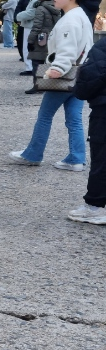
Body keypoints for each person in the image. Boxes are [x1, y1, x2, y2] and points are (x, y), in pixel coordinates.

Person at [8, 0, 95, 171]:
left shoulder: (70, 19)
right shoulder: (80, 15)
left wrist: (57, 69)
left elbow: (67, 49)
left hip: (64, 75)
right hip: (79, 74)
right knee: (74, 119)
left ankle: (33, 154)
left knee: (45, 115)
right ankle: (76, 158)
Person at [71, 28, 106, 223]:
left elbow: (89, 79)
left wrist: (79, 89)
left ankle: (95, 206)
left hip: (104, 110)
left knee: (102, 158)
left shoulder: (103, 46)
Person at [16, 0, 60, 91]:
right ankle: (48, 85)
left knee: (37, 62)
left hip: (41, 38)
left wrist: (30, 41)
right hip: (52, 36)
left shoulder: (40, 8)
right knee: (49, 61)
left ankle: (37, 86)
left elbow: (37, 26)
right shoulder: (56, 7)